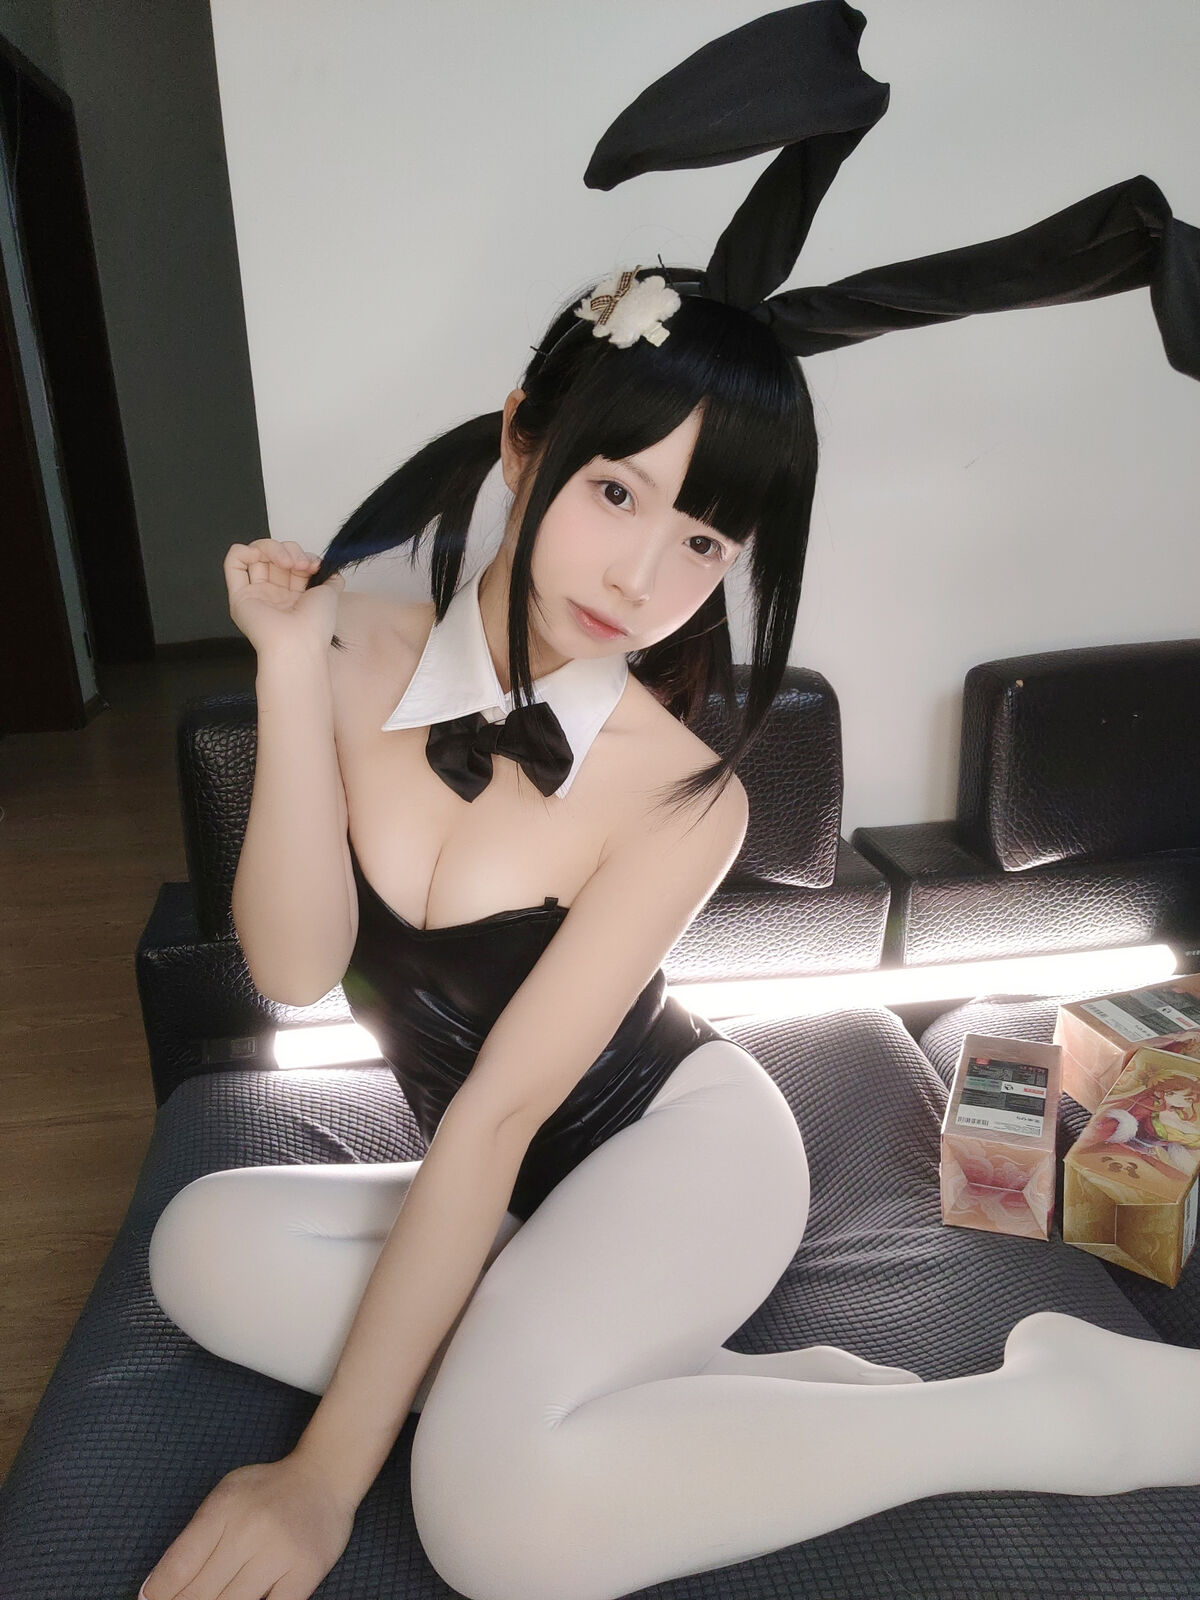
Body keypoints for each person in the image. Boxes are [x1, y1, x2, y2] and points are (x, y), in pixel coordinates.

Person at [137, 270, 1200, 1600]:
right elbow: (296, 968)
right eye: (615, 492)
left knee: (490, 1526)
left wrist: (320, 1480)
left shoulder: (684, 795)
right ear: (523, 440)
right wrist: (287, 672)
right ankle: (687, 1392)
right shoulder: (341, 644)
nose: (640, 579)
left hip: (685, 1157)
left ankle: (1038, 1409)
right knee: (199, 1249)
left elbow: (497, 1116)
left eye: (703, 543)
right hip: (506, 1201)